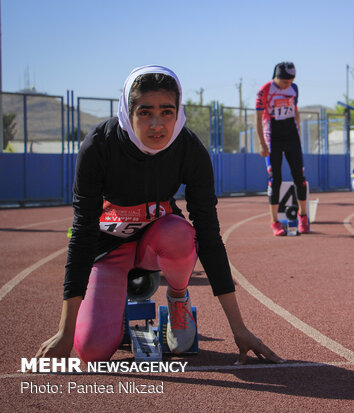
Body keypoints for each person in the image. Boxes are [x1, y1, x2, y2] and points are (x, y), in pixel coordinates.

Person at [34, 65, 283, 364]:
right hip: (109, 248)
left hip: (158, 242)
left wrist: (239, 328)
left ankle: (178, 300)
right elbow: (82, 234)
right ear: (127, 112)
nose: (157, 125)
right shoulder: (99, 146)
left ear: (179, 112)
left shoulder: (189, 149)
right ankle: (115, 312)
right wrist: (64, 332)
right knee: (91, 351)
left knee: (181, 234)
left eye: (167, 112)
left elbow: (209, 235)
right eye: (144, 112)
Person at [255, 62, 309, 236]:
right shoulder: (264, 90)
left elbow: (295, 110)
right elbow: (257, 119)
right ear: (276, 77)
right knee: (275, 179)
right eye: (284, 82)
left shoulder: (294, 88)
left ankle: (303, 216)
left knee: (299, 177)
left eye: (290, 81)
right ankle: (274, 221)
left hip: (291, 135)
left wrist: (298, 133)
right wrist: (262, 143)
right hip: (273, 136)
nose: (287, 85)